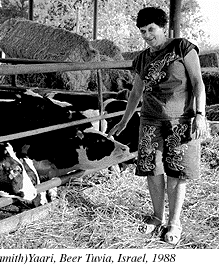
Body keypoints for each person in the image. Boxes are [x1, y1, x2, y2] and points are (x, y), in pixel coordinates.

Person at [108, 6, 207, 245]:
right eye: (142, 31)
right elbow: (136, 92)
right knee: (152, 170)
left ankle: (174, 222)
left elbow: (198, 83)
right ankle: (157, 216)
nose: (147, 35)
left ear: (163, 27)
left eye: (151, 29)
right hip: (150, 120)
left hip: (180, 121)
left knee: (176, 172)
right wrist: (124, 120)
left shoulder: (183, 47)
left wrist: (201, 114)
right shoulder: (143, 58)